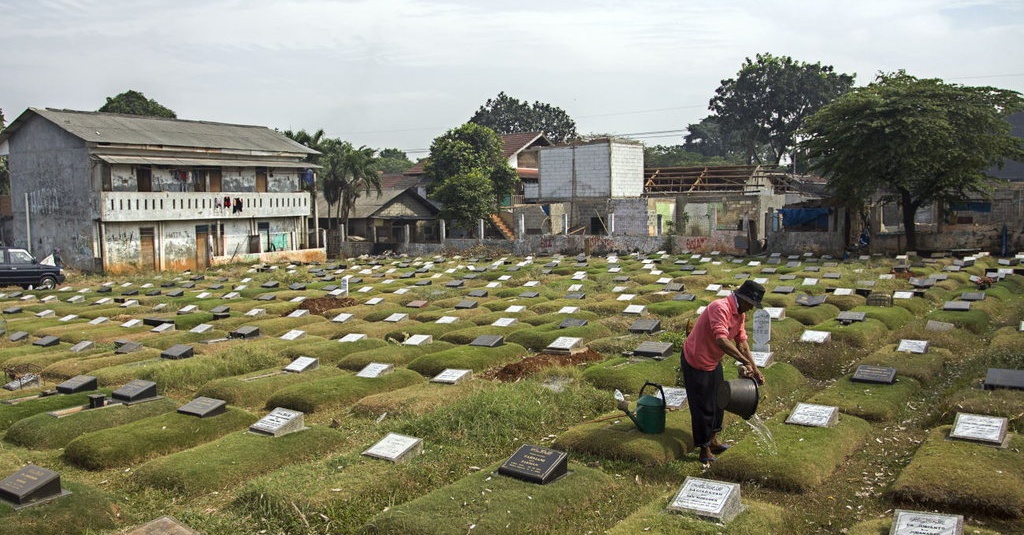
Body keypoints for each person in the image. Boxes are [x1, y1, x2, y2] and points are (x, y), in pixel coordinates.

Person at [681, 279, 766, 464]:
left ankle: (713, 441)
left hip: (712, 360)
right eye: (751, 304)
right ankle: (703, 449)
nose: (751, 309)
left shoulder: (740, 313)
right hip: (696, 359)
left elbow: (742, 342)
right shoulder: (720, 308)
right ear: (742, 299)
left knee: (719, 400)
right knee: (702, 406)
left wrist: (755, 368)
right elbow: (721, 340)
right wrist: (744, 362)